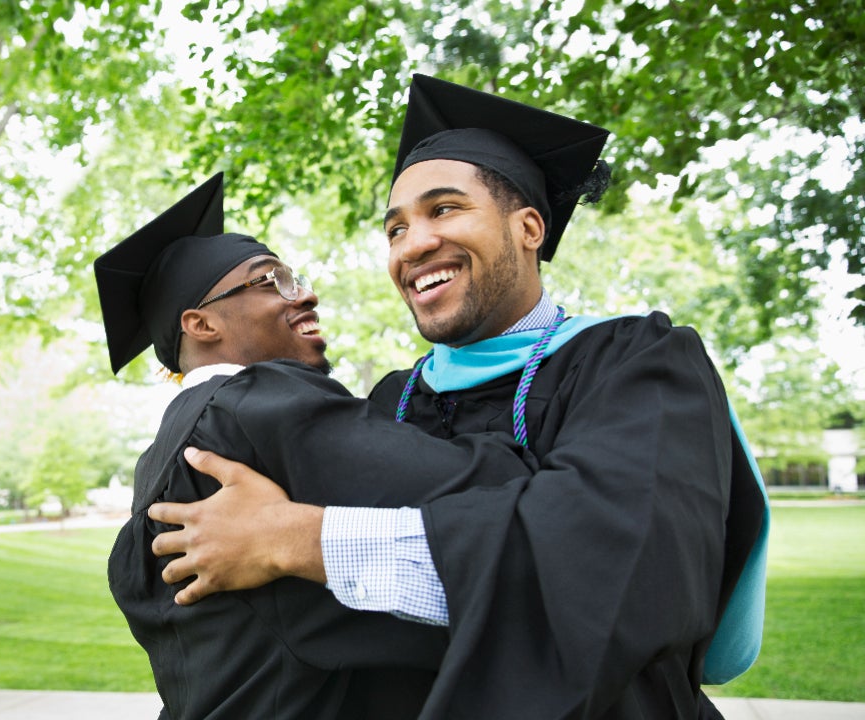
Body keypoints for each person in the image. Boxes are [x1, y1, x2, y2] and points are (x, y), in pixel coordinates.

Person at [148, 75, 770, 719]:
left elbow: (622, 575)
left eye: (444, 210)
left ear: (529, 226)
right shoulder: (392, 399)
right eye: (395, 230)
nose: (413, 245)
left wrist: (300, 539)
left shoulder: (637, 363)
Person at [95, 172, 540, 719]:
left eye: (295, 277)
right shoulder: (256, 405)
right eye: (271, 281)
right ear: (201, 323)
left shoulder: (162, 459)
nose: (304, 293)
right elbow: (494, 492)